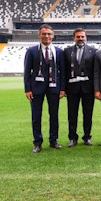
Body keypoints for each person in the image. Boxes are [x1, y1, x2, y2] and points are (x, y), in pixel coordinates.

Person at [24, 24, 66, 153]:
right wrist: (27, 89)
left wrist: (62, 88)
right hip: (36, 88)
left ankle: (53, 141)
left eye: (49, 34)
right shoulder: (31, 51)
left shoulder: (59, 52)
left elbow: (62, 72)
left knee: (54, 115)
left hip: (54, 88)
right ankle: (37, 143)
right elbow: (27, 71)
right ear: (39, 35)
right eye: (44, 34)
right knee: (36, 116)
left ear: (53, 36)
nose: (46, 36)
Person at [64, 28, 97, 147]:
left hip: (88, 88)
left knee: (88, 114)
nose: (80, 39)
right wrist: (64, 88)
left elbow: (95, 72)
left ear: (86, 37)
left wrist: (96, 88)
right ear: (74, 38)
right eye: (78, 37)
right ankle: (72, 138)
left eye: (82, 36)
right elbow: (64, 71)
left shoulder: (93, 51)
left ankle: (87, 136)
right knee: (72, 114)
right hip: (72, 88)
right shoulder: (67, 51)